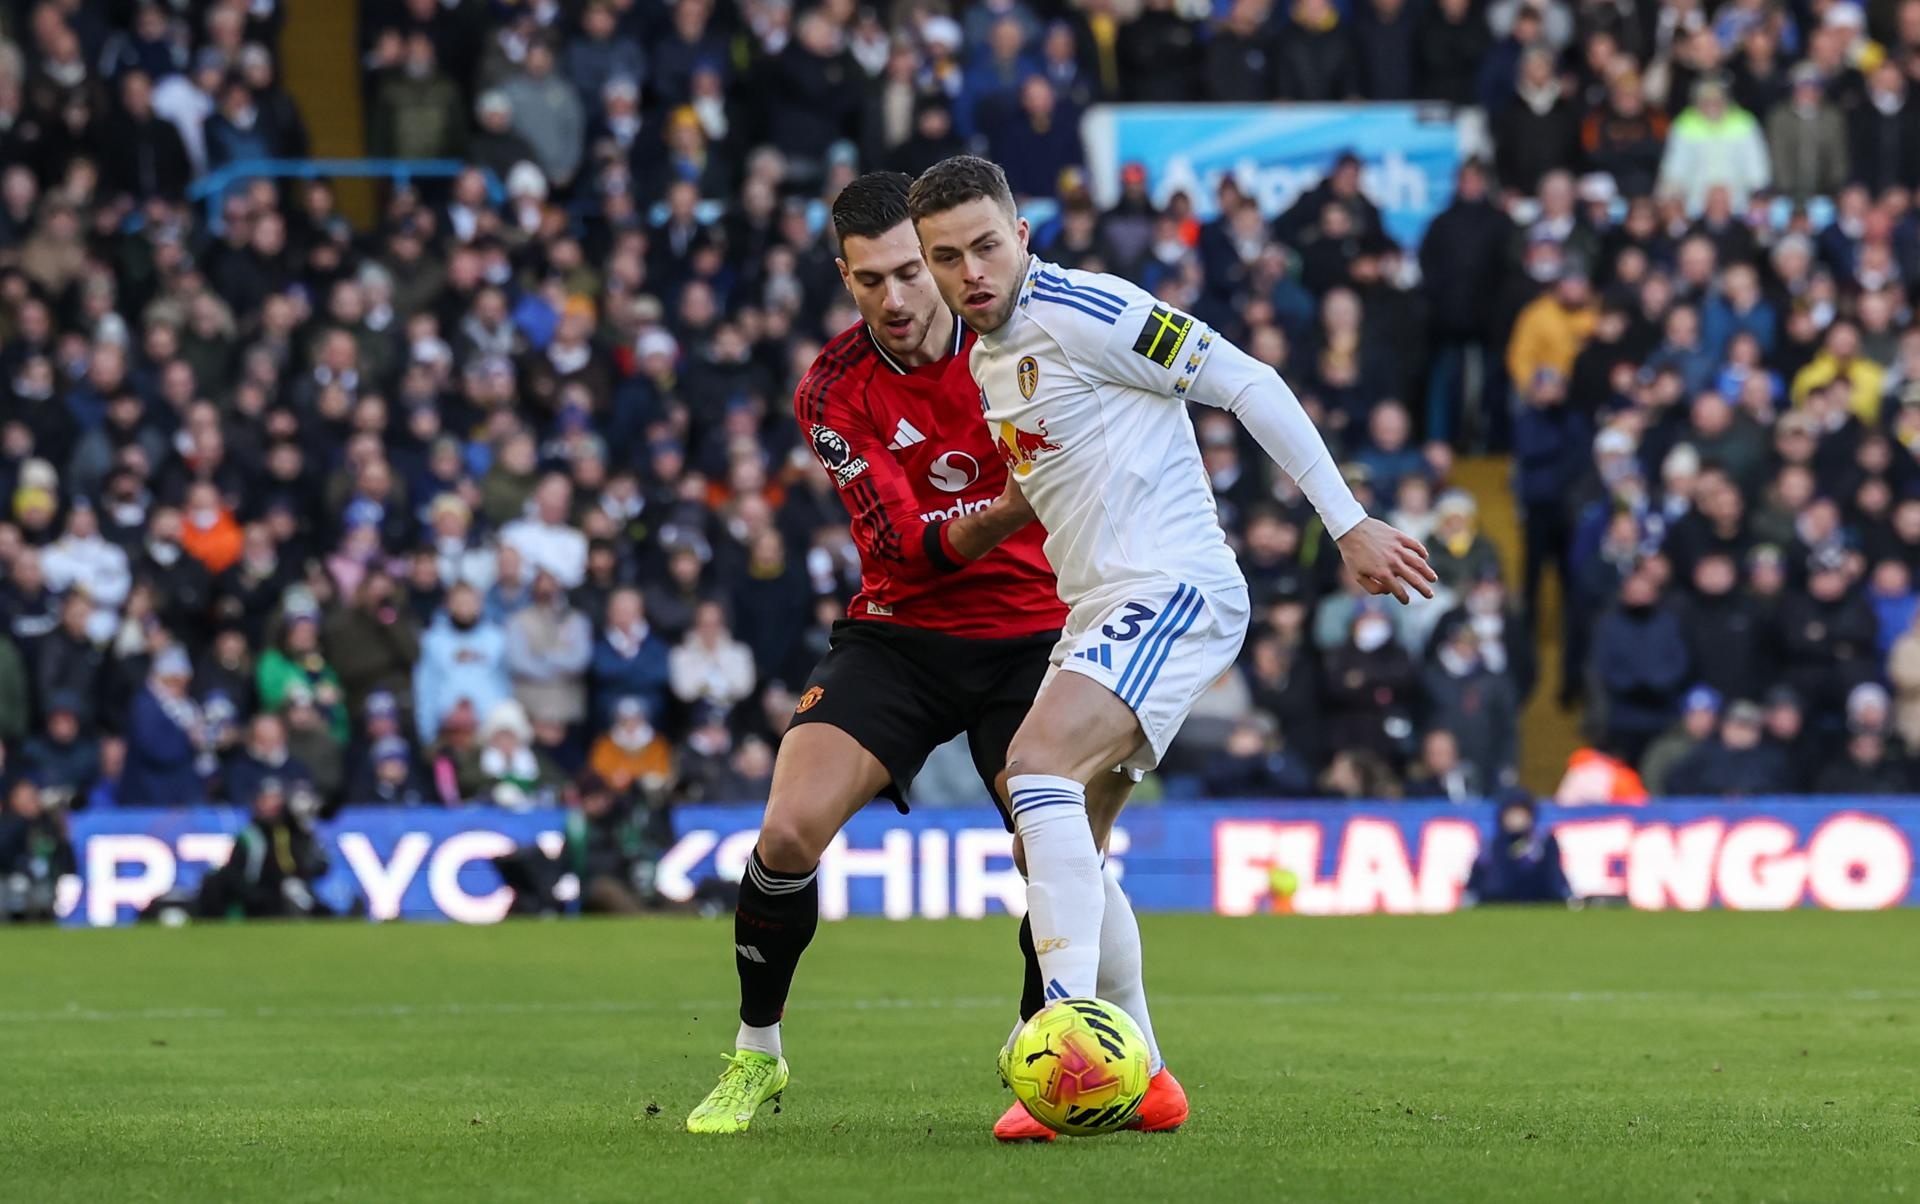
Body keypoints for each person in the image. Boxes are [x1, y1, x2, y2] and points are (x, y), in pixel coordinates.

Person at [906, 154, 1430, 1124]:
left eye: (986, 245)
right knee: (1062, 847)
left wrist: (1348, 520)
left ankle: (1068, 1037)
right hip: (1100, 606)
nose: (971, 270)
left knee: (1035, 767)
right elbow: (1064, 476)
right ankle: (1147, 1076)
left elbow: (1247, 379)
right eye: (948, 256)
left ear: (1021, 236)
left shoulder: (1087, 309)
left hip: (1174, 586)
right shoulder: (987, 359)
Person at [688, 173, 1189, 1141]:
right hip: (900, 633)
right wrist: (1016, 497)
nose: (900, 297)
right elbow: (903, 547)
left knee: (1057, 850)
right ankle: (758, 1054)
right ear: (845, 278)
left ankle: (1044, 1054)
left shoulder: (1027, 341)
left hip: (1037, 636)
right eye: (872, 279)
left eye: (914, 270)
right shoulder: (833, 389)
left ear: (944, 258)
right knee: (787, 832)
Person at [1463, 789, 1571, 905]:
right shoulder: (1492, 845)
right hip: (1497, 905)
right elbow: (1484, 886)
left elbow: (1555, 882)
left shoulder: (1544, 842)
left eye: (1521, 813)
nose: (1516, 819)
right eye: (1512, 813)